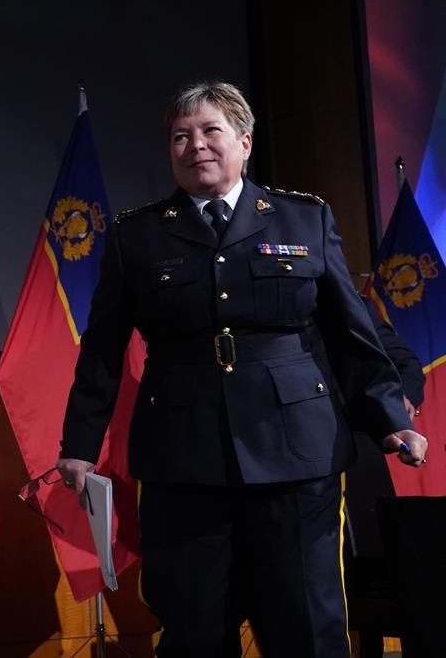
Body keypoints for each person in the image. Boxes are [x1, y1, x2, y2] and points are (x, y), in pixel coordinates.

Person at [55, 81, 428, 658]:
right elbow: (102, 348)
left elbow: (351, 331)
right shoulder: (137, 235)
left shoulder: (303, 219)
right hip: (183, 458)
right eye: (181, 137)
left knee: (306, 626)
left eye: (211, 131)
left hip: (297, 451)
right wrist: (79, 445)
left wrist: (388, 418)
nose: (195, 145)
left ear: (245, 142)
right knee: (193, 629)